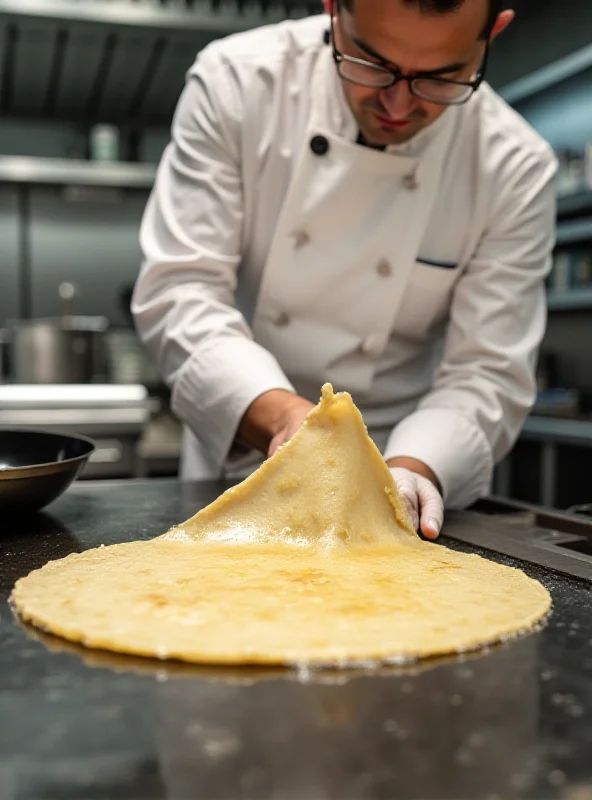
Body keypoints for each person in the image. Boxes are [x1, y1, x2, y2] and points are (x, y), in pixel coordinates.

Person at [132, 0, 557, 539]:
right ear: (333, 9)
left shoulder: (513, 166)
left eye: (442, 77)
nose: (399, 104)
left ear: (492, 35)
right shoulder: (238, 82)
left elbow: (488, 371)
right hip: (241, 451)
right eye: (372, 63)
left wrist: (411, 471)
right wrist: (287, 419)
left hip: (400, 475)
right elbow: (180, 290)